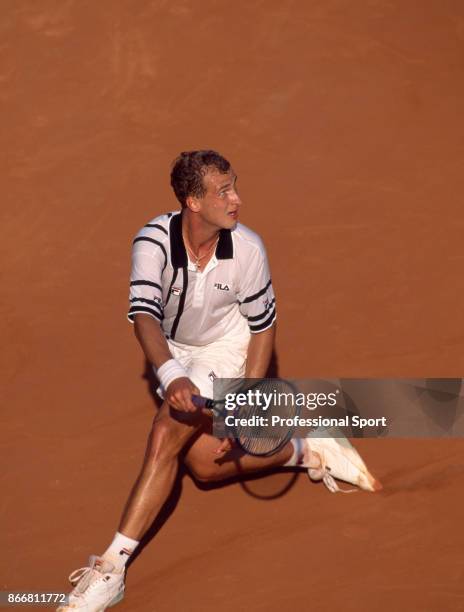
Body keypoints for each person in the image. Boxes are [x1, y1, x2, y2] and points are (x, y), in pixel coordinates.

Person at [58, 150, 381, 611]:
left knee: (166, 433)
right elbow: (144, 317)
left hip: (228, 347)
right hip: (177, 351)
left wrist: (246, 399)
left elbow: (262, 327)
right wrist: (170, 373)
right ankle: (309, 447)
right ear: (192, 201)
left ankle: (111, 569)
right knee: (205, 467)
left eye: (234, 186)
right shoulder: (152, 243)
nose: (237, 199)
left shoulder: (247, 248)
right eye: (223, 191)